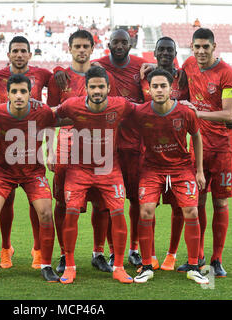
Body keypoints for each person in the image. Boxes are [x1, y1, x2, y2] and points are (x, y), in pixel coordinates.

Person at [0, 74, 62, 283]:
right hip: (3, 172)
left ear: (31, 93)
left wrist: (51, 150)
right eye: (14, 91)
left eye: (23, 91)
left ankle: (46, 265)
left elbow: (53, 123)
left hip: (33, 172)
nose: (19, 95)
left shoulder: (41, 111)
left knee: (46, 213)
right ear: (6, 94)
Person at [48, 30, 119, 274]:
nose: (81, 50)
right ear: (69, 48)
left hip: (98, 145)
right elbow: (50, 114)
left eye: (85, 46)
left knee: (101, 201)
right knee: (61, 202)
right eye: (77, 46)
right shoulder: (59, 77)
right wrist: (48, 149)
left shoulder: (101, 76)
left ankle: (98, 253)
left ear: (92, 48)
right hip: (66, 143)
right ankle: (63, 254)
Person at [129, 68, 209, 285]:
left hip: (182, 169)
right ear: (148, 89)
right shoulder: (141, 112)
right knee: (145, 210)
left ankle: (194, 266)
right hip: (152, 168)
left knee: (191, 210)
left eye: (163, 86)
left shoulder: (185, 112)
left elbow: (197, 137)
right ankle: (146, 266)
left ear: (171, 88)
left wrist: (199, 170)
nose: (159, 90)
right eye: (154, 86)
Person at [54, 66, 133, 284]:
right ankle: (69, 266)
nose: (97, 91)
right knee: (70, 212)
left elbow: (144, 112)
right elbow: (51, 116)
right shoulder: (72, 105)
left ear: (108, 87)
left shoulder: (121, 105)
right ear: (86, 89)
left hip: (109, 168)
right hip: (79, 168)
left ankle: (118, 267)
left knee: (117, 212)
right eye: (92, 87)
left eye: (101, 86)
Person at [0, 36, 52, 270]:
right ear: (8, 54)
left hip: (33, 156)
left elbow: (56, 101)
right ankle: (5, 248)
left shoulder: (43, 74)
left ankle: (38, 249)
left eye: (23, 51)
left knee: (39, 205)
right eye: (15, 51)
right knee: (5, 202)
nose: (19, 54)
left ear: (30, 54)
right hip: (5, 155)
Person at [178, 28, 232, 277]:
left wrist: (196, 113)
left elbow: (228, 114)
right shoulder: (188, 65)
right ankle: (198, 256)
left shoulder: (227, 73)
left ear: (214, 46)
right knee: (197, 201)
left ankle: (217, 260)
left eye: (206, 47)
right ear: (192, 47)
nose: (201, 51)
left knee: (220, 202)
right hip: (198, 146)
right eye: (197, 47)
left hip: (224, 147)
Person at [92, 28, 147, 269]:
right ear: (108, 43)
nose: (120, 45)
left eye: (124, 42)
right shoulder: (97, 66)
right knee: (104, 202)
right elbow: (77, 73)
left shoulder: (143, 66)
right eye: (116, 41)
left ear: (130, 44)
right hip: (106, 145)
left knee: (135, 199)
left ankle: (134, 248)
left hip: (135, 145)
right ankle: (102, 251)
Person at [139, 37, 190, 272]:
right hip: (148, 154)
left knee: (179, 207)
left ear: (176, 52)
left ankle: (172, 253)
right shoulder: (144, 76)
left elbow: (191, 106)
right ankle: (146, 254)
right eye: (162, 50)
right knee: (147, 205)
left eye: (170, 50)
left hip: (177, 155)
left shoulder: (184, 77)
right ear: (155, 53)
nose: (166, 53)